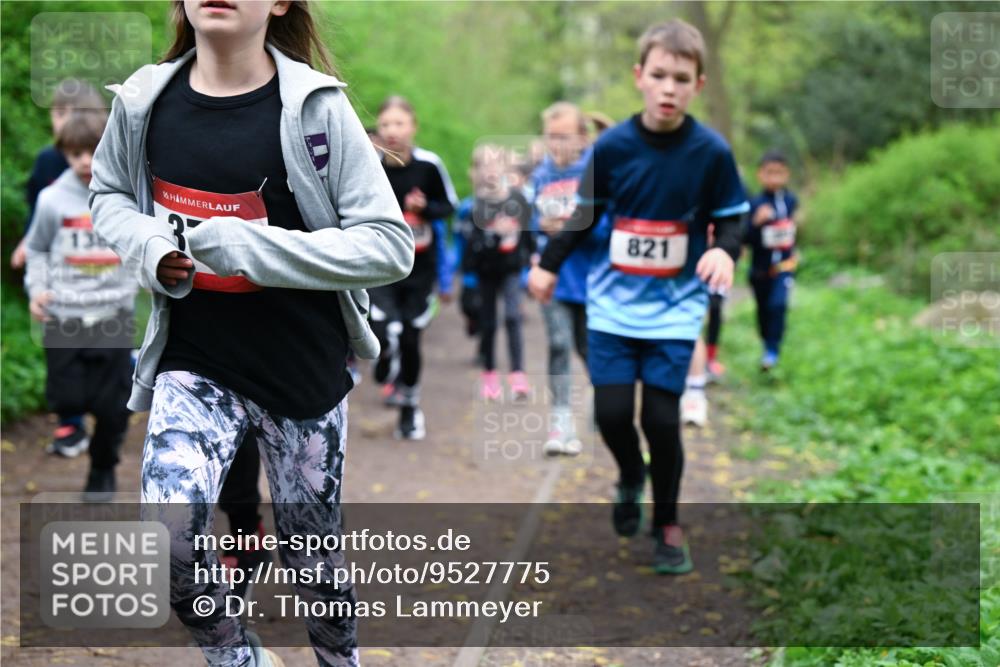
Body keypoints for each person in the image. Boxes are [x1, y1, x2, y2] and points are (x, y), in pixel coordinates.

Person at [89, 1, 413, 664]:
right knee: (168, 537)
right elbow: (109, 195)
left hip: (302, 369)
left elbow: (388, 245)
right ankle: (239, 656)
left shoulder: (318, 111)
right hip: (195, 362)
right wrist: (152, 244)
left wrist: (257, 248)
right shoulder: (144, 102)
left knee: (313, 556)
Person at [528, 19, 748, 575]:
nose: (669, 87)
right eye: (659, 75)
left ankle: (668, 522)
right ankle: (630, 475)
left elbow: (734, 220)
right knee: (609, 412)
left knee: (663, 420)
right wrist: (546, 267)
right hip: (611, 307)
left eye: (681, 77)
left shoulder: (711, 153)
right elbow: (581, 217)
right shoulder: (615, 146)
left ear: (698, 84)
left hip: (675, 311)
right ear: (639, 78)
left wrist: (726, 252)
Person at [25, 108, 137, 501]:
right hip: (64, 316)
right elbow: (37, 249)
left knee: (113, 409)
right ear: (65, 154)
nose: (85, 162)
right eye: (75, 154)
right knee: (67, 399)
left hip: (113, 315)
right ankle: (87, 416)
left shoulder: (126, 197)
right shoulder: (52, 199)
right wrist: (36, 289)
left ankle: (102, 471)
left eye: (92, 151)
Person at [15, 79, 106, 457]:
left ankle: (111, 390)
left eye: (72, 114)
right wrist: (25, 242)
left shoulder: (105, 159)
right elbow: (38, 210)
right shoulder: (48, 161)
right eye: (57, 114)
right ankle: (70, 420)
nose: (62, 122)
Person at [370, 96, 455, 440]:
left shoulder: (429, 166)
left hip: (420, 270)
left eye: (399, 123)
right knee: (385, 328)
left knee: (410, 337)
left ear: (413, 127)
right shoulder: (369, 164)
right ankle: (383, 361)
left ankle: (409, 408)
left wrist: (426, 208)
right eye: (386, 124)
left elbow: (450, 205)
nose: (392, 131)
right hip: (380, 266)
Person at [530, 102, 593, 455]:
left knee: (588, 349)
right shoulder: (541, 175)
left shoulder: (595, 171)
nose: (557, 144)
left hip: (592, 279)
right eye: (551, 137)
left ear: (582, 139)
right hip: (553, 278)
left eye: (564, 137)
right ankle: (561, 421)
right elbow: (528, 221)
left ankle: (609, 404)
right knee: (558, 344)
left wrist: (574, 225)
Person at [465, 145, 535, 401]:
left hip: (512, 269)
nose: (491, 170)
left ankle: (518, 374)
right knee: (489, 323)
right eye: (485, 164)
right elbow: (473, 245)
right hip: (486, 272)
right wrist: (495, 237)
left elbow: (528, 233)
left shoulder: (518, 199)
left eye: (496, 164)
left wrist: (532, 260)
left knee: (514, 317)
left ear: (507, 169)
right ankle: (490, 374)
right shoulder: (477, 204)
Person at [746, 149, 799, 371]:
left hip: (784, 267)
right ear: (761, 174)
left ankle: (772, 351)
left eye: (779, 173)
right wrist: (756, 222)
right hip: (759, 269)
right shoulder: (754, 202)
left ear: (786, 174)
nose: (775, 178)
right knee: (763, 310)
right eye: (770, 173)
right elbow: (743, 237)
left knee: (778, 305)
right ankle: (766, 343)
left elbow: (795, 231)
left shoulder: (791, 201)